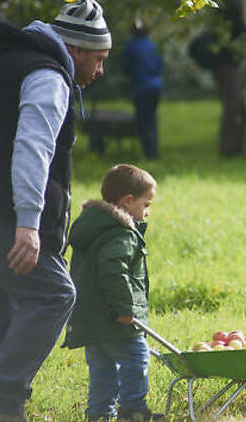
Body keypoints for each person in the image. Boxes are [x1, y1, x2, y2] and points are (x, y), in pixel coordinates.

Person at [0, 1, 111, 420]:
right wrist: (28, 222)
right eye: (98, 59)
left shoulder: (6, 65)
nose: (100, 71)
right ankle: (4, 394)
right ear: (75, 50)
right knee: (54, 295)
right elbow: (32, 147)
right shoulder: (47, 76)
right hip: (2, 214)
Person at [62, 164, 161, 422]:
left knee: (102, 370)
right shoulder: (120, 233)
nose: (147, 212)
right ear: (128, 201)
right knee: (137, 358)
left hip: (91, 319)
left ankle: (98, 415)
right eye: (146, 204)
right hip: (114, 318)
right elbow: (113, 271)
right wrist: (125, 308)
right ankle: (133, 411)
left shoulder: (94, 226)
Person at [188, 0, 246, 157]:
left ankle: (234, 149)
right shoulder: (226, 18)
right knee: (233, 109)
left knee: (238, 109)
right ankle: (229, 150)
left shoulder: (225, 19)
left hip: (228, 67)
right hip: (226, 68)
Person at [122, 18, 163, 160]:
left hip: (140, 87)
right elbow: (159, 65)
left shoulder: (130, 46)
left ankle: (149, 153)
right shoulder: (153, 46)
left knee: (143, 120)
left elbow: (125, 68)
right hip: (156, 86)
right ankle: (153, 151)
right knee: (152, 118)